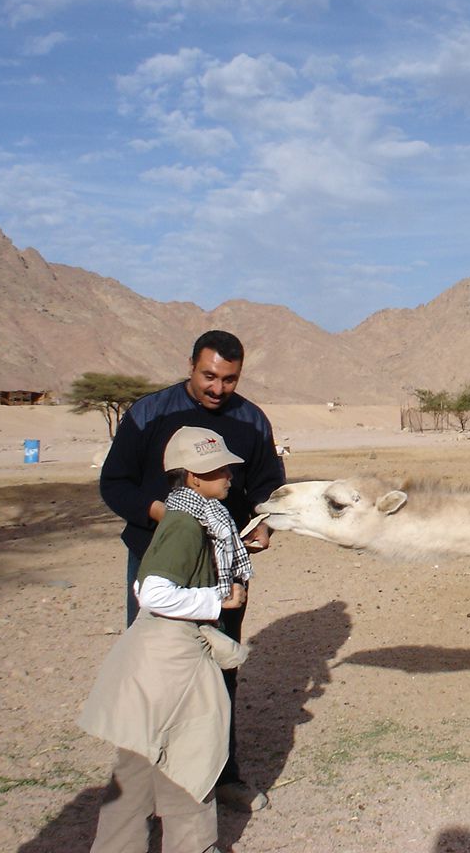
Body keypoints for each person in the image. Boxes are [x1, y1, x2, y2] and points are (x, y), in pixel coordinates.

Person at [100, 330, 285, 812]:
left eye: (229, 379)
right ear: (190, 366)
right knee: (155, 672)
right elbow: (115, 483)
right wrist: (171, 516)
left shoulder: (251, 420)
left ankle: (222, 777)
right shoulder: (151, 412)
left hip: (223, 564)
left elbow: (267, 486)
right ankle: (142, 789)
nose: (218, 388)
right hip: (159, 558)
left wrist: (264, 526)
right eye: (209, 376)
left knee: (218, 669)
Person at [81, 426, 252, 853]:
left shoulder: (192, 518)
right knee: (190, 761)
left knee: (139, 765)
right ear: (193, 477)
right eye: (218, 470)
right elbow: (153, 592)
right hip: (172, 660)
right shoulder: (186, 526)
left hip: (157, 659)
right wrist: (218, 599)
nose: (229, 475)